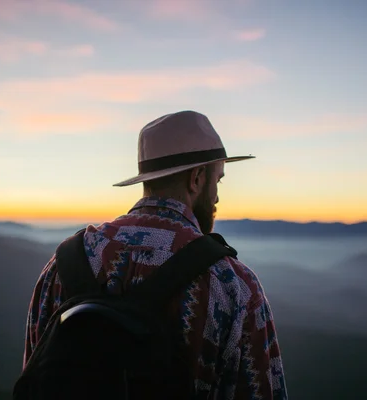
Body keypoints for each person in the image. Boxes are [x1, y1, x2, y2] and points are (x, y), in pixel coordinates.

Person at [22, 110, 288, 399]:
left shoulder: (62, 265)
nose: (217, 197)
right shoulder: (232, 285)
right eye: (218, 181)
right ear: (197, 178)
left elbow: (34, 377)